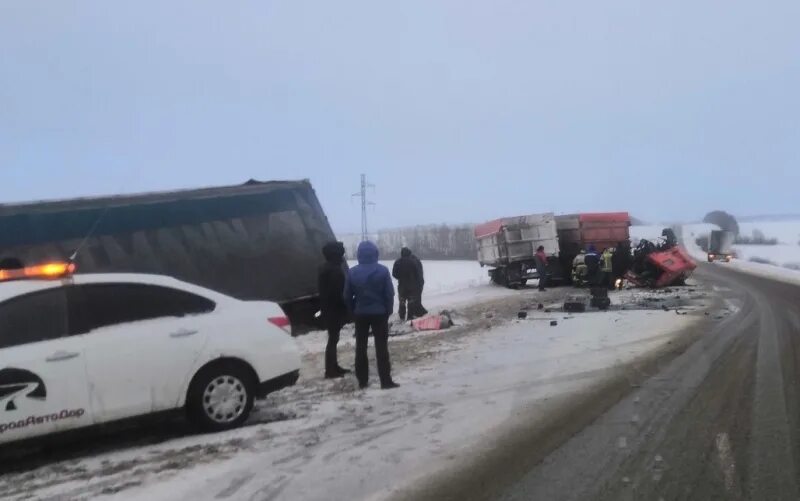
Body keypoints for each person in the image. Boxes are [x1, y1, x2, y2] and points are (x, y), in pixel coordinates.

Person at [344, 241, 398, 390]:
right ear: (376, 253)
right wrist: (388, 310)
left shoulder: (352, 272)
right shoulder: (382, 270)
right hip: (380, 313)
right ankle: (385, 381)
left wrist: (352, 312)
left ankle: (362, 380)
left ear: (359, 254)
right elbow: (389, 293)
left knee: (360, 347)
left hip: (360, 313)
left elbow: (347, 295)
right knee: (381, 347)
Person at [318, 242, 351, 378]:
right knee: (333, 340)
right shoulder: (335, 270)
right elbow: (338, 293)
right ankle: (330, 370)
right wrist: (346, 308)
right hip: (334, 309)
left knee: (333, 339)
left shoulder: (326, 267)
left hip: (328, 308)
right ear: (336, 255)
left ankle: (333, 366)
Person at [392, 247, 424, 321]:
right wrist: (417, 282)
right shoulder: (413, 261)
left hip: (402, 285)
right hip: (411, 286)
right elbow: (417, 273)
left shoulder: (398, 262)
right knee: (411, 302)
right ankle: (410, 317)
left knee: (402, 301)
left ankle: (402, 316)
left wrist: (400, 277)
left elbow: (394, 274)